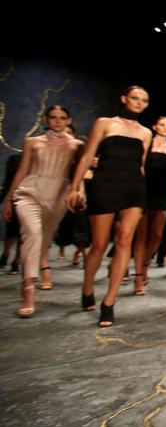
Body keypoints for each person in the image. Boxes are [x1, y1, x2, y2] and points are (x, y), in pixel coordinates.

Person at [66, 85, 152, 327]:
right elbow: (86, 156)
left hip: (134, 187)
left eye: (144, 100)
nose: (139, 103)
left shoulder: (146, 132)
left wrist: (142, 190)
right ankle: (87, 287)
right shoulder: (104, 123)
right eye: (135, 98)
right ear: (124, 98)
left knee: (125, 239)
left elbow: (141, 164)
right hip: (105, 184)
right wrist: (75, 187)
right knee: (100, 245)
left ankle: (109, 302)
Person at [2, 105, 84, 317]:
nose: (58, 121)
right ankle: (28, 290)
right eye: (54, 117)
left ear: (68, 120)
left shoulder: (77, 145)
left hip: (58, 195)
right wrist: (10, 199)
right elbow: (22, 170)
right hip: (29, 191)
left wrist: (79, 191)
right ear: (46, 119)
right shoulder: (32, 142)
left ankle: (31, 274)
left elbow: (78, 173)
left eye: (62, 118)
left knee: (44, 240)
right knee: (32, 234)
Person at [132, 116, 166, 293]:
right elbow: (139, 167)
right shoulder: (147, 145)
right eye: (162, 125)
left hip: (163, 195)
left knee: (157, 234)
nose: (165, 128)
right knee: (141, 236)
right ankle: (138, 275)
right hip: (144, 191)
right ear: (154, 126)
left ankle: (145, 263)